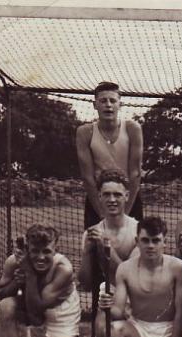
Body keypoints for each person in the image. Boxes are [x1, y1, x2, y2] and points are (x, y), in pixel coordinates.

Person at [98, 217, 182, 337]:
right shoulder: (125, 268)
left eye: (156, 240)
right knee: (108, 330)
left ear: (165, 241)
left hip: (165, 332)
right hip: (137, 327)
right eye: (145, 240)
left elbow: (180, 313)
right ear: (137, 241)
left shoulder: (178, 267)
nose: (151, 246)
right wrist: (105, 306)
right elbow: (118, 311)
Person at [76, 81, 143, 228]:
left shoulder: (132, 129)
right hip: (99, 198)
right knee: (96, 246)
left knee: (134, 245)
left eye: (112, 100)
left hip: (128, 196)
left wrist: (125, 212)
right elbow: (87, 177)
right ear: (95, 105)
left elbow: (135, 173)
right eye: (103, 100)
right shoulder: (85, 132)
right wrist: (101, 213)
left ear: (120, 104)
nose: (108, 104)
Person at [79, 169, 139, 292]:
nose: (112, 200)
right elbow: (86, 285)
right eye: (106, 194)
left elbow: (130, 279)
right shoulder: (90, 234)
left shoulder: (138, 230)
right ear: (100, 196)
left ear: (126, 196)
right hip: (107, 297)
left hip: (137, 299)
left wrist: (104, 246)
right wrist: (87, 252)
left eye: (117, 194)